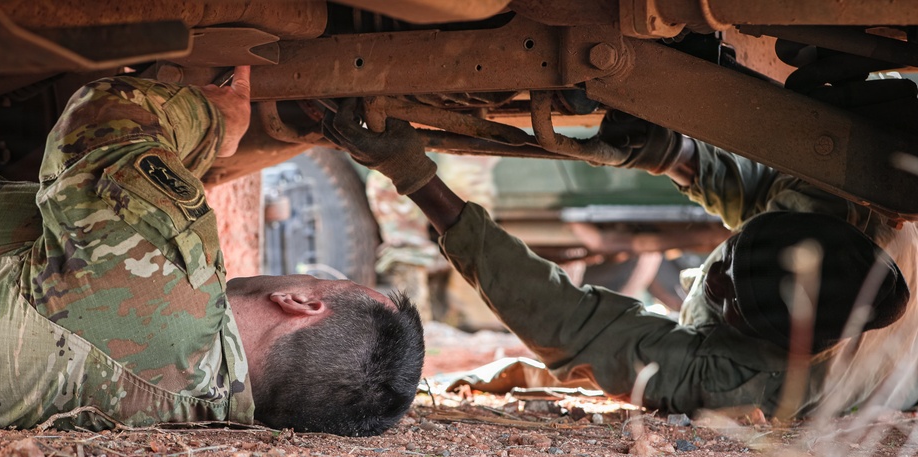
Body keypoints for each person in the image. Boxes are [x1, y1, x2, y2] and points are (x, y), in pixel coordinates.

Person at [322, 103, 916, 418]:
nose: (714, 280)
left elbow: (569, 320)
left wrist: (418, 178)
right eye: (731, 257)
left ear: (785, 342)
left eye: (729, 300)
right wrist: (670, 152)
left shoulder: (742, 380)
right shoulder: (839, 208)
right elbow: (765, 193)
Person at [0, 68, 424, 437]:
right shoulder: (180, 403)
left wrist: (213, 123)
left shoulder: (173, 299)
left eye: (322, 280)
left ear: (302, 303)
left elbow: (104, 112)